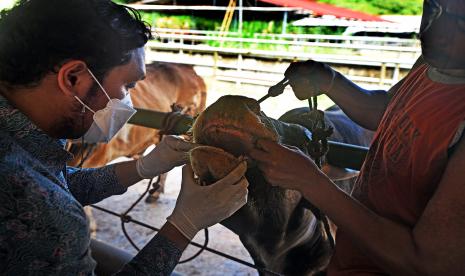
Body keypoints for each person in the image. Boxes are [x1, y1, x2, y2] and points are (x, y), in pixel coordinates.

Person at [0, 0, 249, 275]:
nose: (128, 101)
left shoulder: (24, 142)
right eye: (127, 85)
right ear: (73, 78)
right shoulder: (49, 219)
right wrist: (183, 225)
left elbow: (56, 182)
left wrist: (143, 167)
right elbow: (41, 197)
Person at [250, 0, 465, 275]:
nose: (436, 29)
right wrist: (330, 81)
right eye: (434, 9)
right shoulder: (430, 65)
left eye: (458, 21)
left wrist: (309, 180)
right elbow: (388, 108)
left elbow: (424, 262)